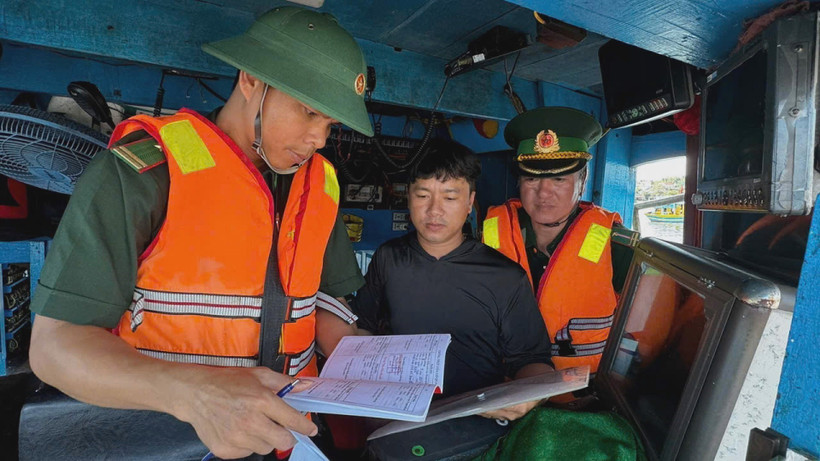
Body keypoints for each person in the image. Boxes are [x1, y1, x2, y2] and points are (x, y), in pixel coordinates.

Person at [28, 7, 371, 459]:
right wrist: (196, 395)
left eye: (330, 124)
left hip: (288, 439)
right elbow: (54, 347)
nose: (318, 138)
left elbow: (318, 303)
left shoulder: (319, 184)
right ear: (251, 81)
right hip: (170, 441)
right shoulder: (146, 169)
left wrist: (367, 358)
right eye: (308, 112)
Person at [347, 139, 553, 421]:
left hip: (476, 424)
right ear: (408, 197)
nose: (434, 210)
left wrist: (527, 397)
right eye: (422, 196)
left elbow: (534, 362)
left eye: (450, 197)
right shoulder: (389, 258)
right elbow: (363, 330)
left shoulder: (505, 276)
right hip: (398, 418)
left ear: (469, 202)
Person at [482, 106, 638, 380]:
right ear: (519, 181)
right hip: (503, 389)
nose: (544, 192)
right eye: (532, 178)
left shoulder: (617, 246)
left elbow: (644, 332)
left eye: (559, 179)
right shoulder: (491, 233)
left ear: (583, 180)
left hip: (584, 399)